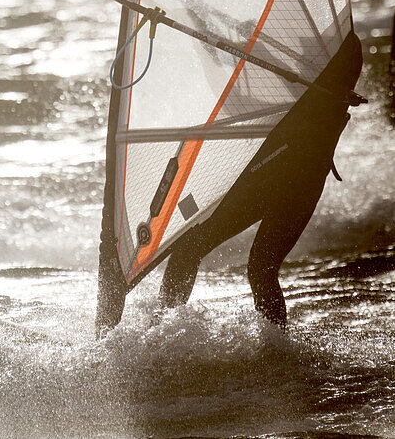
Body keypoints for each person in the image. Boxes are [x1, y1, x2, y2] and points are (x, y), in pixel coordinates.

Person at [97, 30, 363, 334]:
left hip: (292, 180)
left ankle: (275, 347)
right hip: (278, 174)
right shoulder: (311, 68)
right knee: (202, 253)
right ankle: (164, 333)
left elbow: (335, 57)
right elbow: (235, 95)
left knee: (256, 268)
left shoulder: (339, 56)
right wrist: (205, 35)